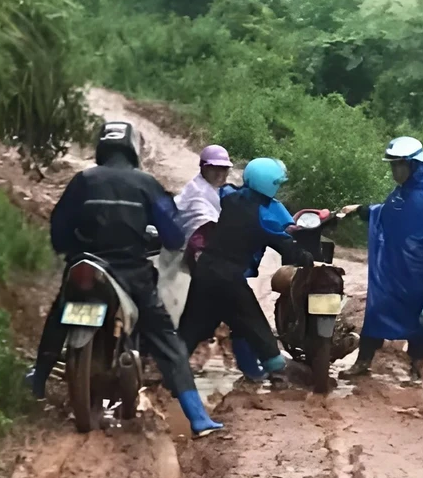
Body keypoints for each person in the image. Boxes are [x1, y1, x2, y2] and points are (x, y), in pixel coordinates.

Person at [25, 121, 223, 438]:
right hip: (131, 273)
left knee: (61, 311)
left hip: (85, 264)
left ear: (101, 148)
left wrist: (70, 250)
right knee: (166, 340)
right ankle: (197, 417)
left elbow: (59, 225)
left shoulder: (83, 181)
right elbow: (173, 235)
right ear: (133, 149)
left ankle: (38, 378)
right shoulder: (146, 184)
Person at [339, 136, 423, 383]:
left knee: (418, 322)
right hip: (392, 273)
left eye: (399, 165)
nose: (395, 171)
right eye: (392, 165)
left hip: (422, 276)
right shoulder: (403, 194)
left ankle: (419, 367)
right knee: (376, 312)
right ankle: (363, 361)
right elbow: (387, 214)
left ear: (414, 165)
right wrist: (361, 210)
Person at [178, 158, 313, 375]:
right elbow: (285, 245)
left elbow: (228, 190)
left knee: (192, 327)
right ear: (270, 183)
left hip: (204, 271)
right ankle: (276, 368)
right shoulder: (264, 215)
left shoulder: (231, 197)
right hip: (229, 279)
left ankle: (170, 375)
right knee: (254, 323)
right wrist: (305, 257)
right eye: (277, 183)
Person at [172, 146, 268, 381]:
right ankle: (255, 371)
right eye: (215, 168)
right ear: (204, 168)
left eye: (224, 169)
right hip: (200, 267)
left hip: (207, 267)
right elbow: (200, 235)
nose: (220, 173)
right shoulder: (198, 196)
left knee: (220, 321)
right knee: (237, 316)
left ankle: (176, 371)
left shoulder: (213, 191)